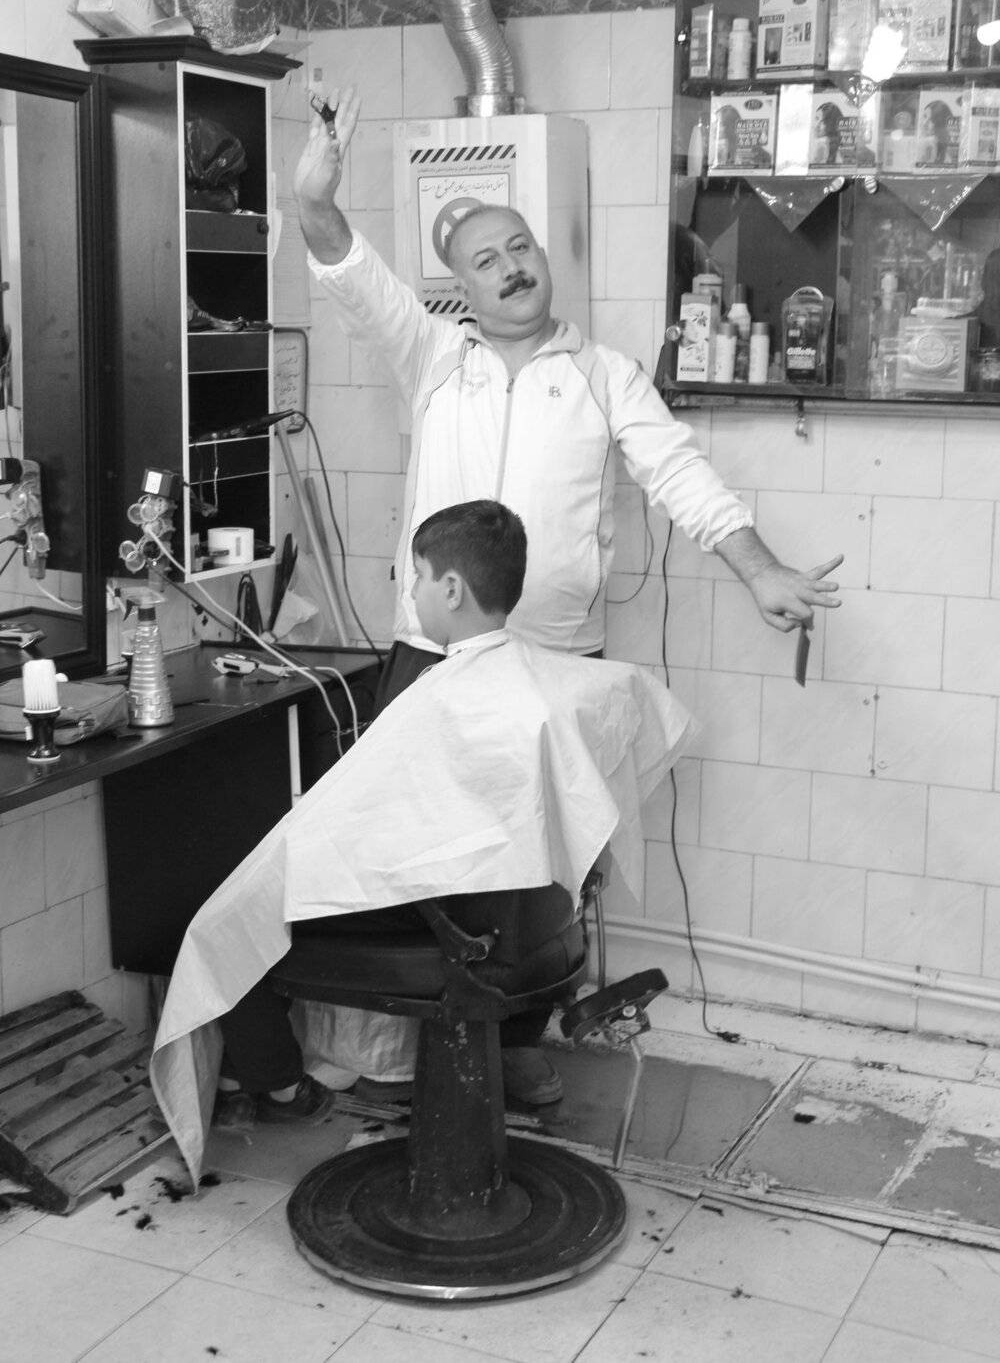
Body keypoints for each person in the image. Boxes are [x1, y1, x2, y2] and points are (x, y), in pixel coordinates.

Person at [292, 85, 843, 1099]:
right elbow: (346, 268)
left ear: (543, 258)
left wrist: (759, 566)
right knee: (420, 850)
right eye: (485, 259)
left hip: (549, 661)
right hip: (433, 658)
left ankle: (515, 1042)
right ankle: (416, 1046)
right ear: (460, 287)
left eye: (520, 248)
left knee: (539, 872)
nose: (510, 266)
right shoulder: (432, 358)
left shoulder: (605, 375)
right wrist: (315, 197)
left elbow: (679, 473)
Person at [150, 501, 695, 1189]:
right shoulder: (559, 682)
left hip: (460, 933)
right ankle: (261, 1078)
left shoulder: (440, 699)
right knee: (259, 904)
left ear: (452, 589)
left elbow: (363, 826)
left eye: (417, 576)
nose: (411, 591)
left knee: (227, 921)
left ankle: (279, 1084)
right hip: (531, 922)